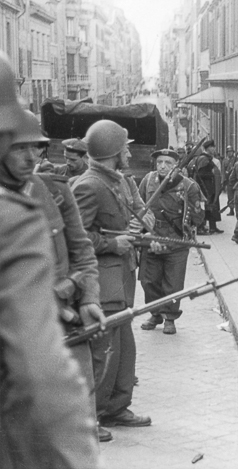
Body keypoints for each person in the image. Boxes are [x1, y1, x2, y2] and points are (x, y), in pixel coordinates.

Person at [0, 51, 102, 468]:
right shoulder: (12, 219)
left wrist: (87, 294)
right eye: (18, 146)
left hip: (67, 316)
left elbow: (81, 249)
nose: (29, 157)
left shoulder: (54, 191)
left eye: (35, 148)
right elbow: (39, 373)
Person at [72, 119, 155, 437]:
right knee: (102, 351)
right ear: (111, 152)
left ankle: (116, 407)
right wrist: (112, 243)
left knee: (123, 348)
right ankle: (89, 417)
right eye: (125, 149)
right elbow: (76, 238)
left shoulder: (116, 182)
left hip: (121, 276)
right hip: (100, 282)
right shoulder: (88, 185)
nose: (130, 155)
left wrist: (137, 238)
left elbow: (121, 227)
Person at [139, 149, 206, 334]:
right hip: (152, 239)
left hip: (176, 242)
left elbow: (199, 216)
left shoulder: (188, 186)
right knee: (149, 281)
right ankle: (155, 314)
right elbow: (140, 205)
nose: (162, 166)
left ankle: (170, 318)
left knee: (174, 284)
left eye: (168, 163)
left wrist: (189, 211)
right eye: (159, 162)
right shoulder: (148, 180)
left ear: (176, 165)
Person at [189, 139, 223, 234]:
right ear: (207, 148)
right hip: (205, 187)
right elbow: (201, 174)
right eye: (212, 147)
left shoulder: (208, 158)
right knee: (205, 207)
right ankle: (201, 228)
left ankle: (213, 227)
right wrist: (212, 175)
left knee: (212, 206)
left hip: (209, 187)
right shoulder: (204, 158)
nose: (214, 149)